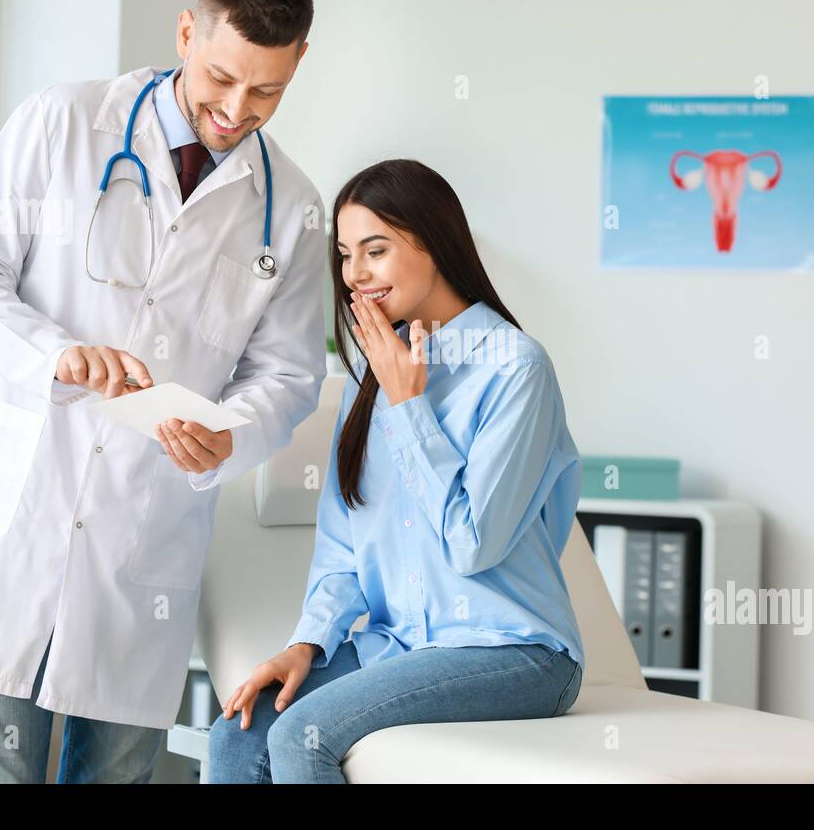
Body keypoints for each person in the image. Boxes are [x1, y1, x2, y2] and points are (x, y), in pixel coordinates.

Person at [0, 0, 327, 783]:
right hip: (11, 523)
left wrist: (229, 434)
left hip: (142, 550)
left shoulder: (293, 209)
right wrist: (55, 353)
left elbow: (287, 377)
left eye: (267, 92)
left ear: (297, 65)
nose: (237, 111)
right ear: (185, 32)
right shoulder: (62, 122)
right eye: (221, 79)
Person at [207, 159, 585, 783]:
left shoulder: (515, 370)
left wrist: (410, 404)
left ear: (433, 241)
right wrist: (307, 643)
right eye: (346, 255)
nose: (356, 274)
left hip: (516, 651)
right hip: (400, 646)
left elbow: (473, 545)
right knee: (238, 735)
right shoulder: (375, 377)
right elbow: (342, 545)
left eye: (375, 250)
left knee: (305, 736)